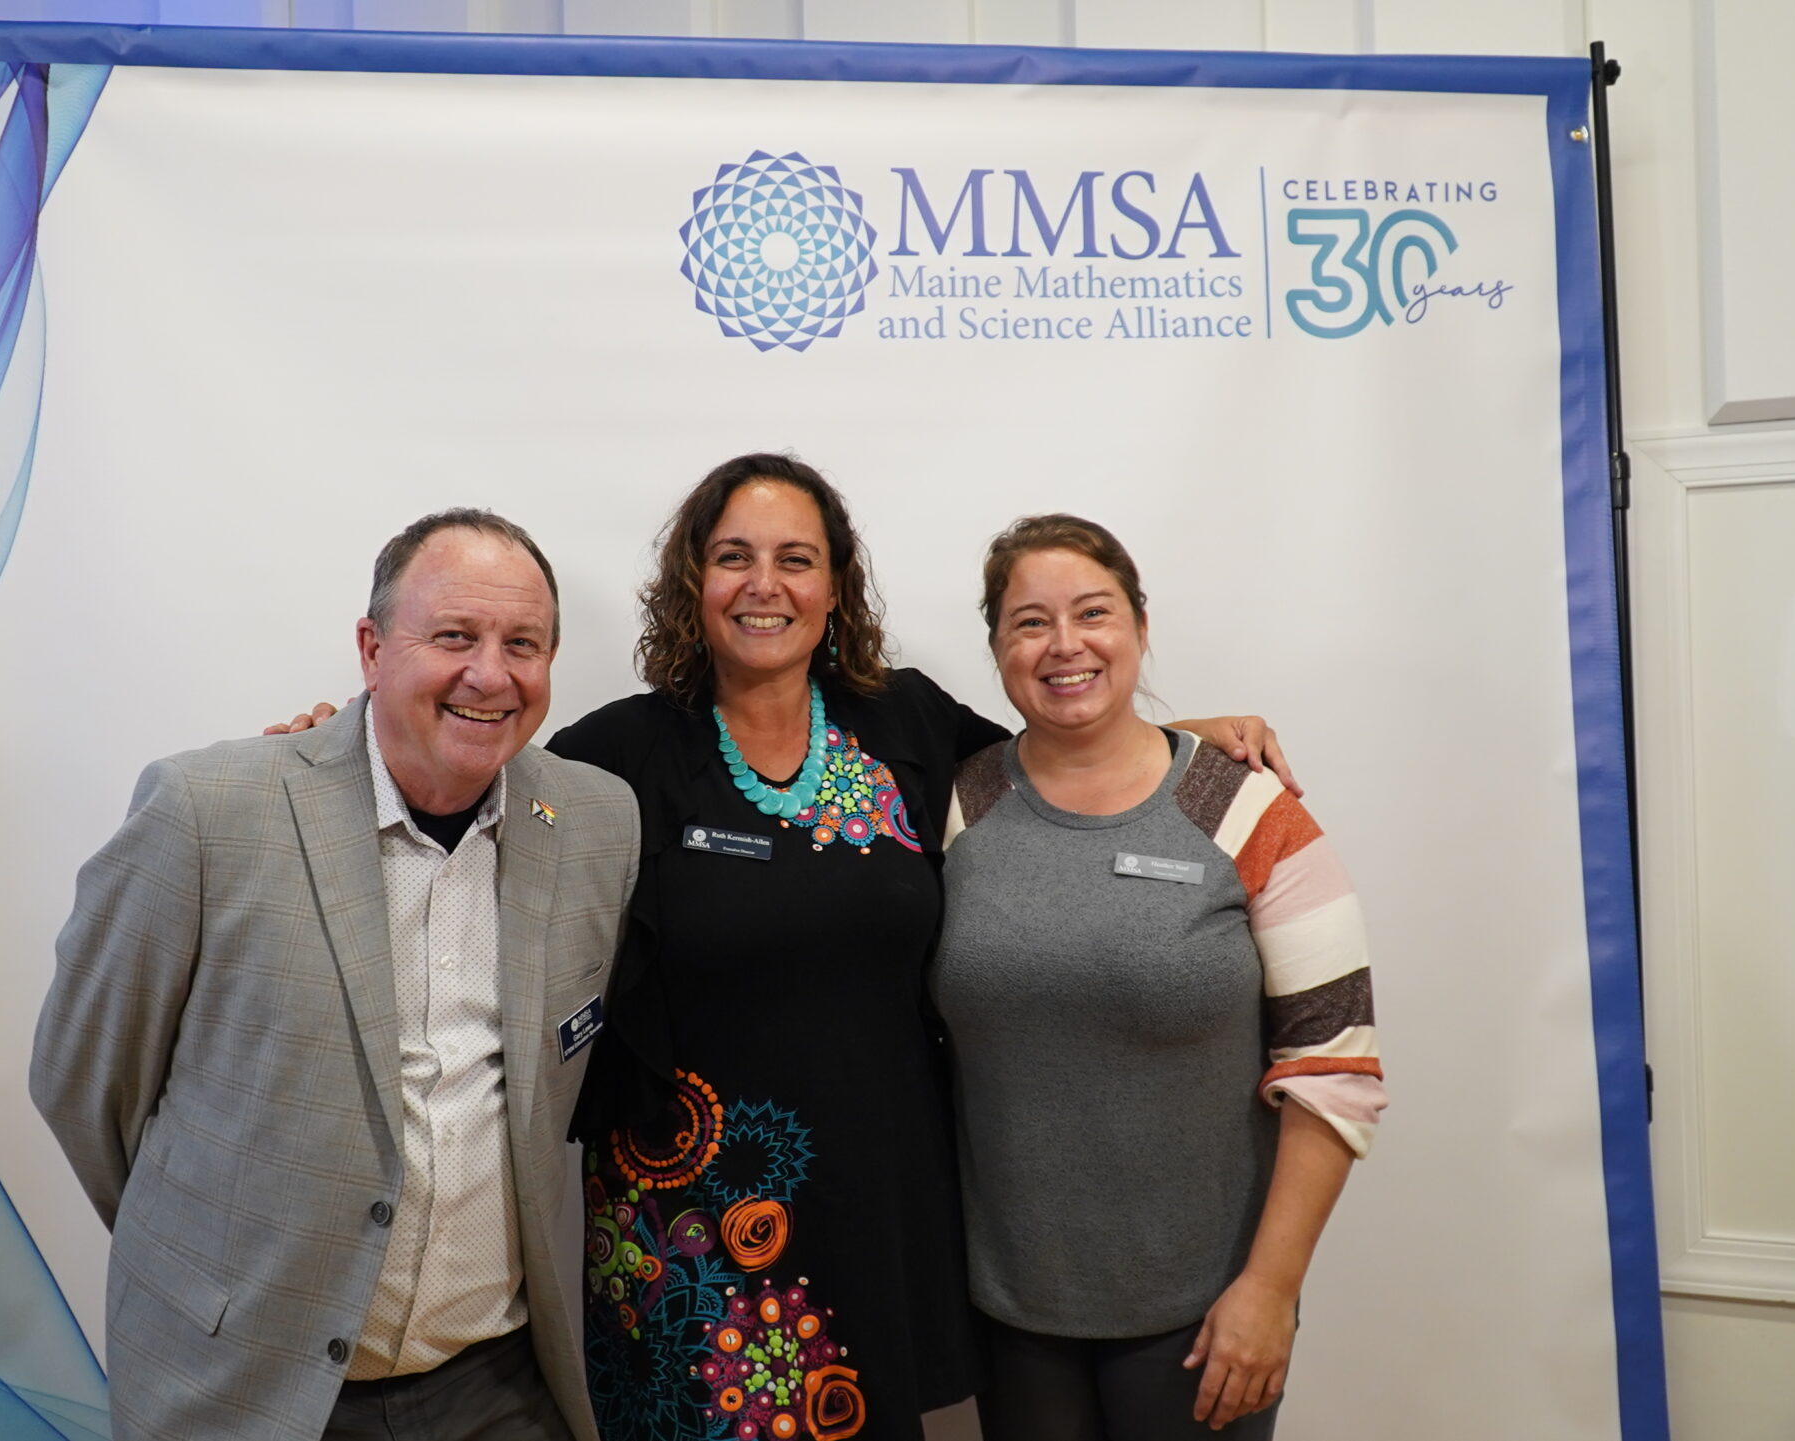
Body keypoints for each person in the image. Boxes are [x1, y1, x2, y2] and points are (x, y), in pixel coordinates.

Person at [268, 455, 1292, 1441]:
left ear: (835, 585)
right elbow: (461, 777)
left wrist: (1192, 733)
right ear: (693, 583)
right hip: (685, 1238)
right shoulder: (620, 755)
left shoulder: (907, 723)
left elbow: (1063, 757)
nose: (766, 584)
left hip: (878, 1198)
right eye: (733, 556)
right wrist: (338, 747)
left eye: (796, 558)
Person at [29, 510, 641, 1441]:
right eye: (453, 636)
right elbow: (86, 1082)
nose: (490, 672)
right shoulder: (210, 812)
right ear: (371, 647)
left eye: (523, 644)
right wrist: (215, 1274)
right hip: (249, 1390)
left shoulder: (597, 821)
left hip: (497, 1386)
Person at [931, 515, 1383, 1440]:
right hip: (1009, 1308)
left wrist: (1270, 1288)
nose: (1065, 644)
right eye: (1029, 622)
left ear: (1140, 626)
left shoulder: (1249, 807)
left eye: (1093, 613)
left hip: (1202, 1311)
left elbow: (1334, 1071)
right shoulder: (959, 802)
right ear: (995, 647)